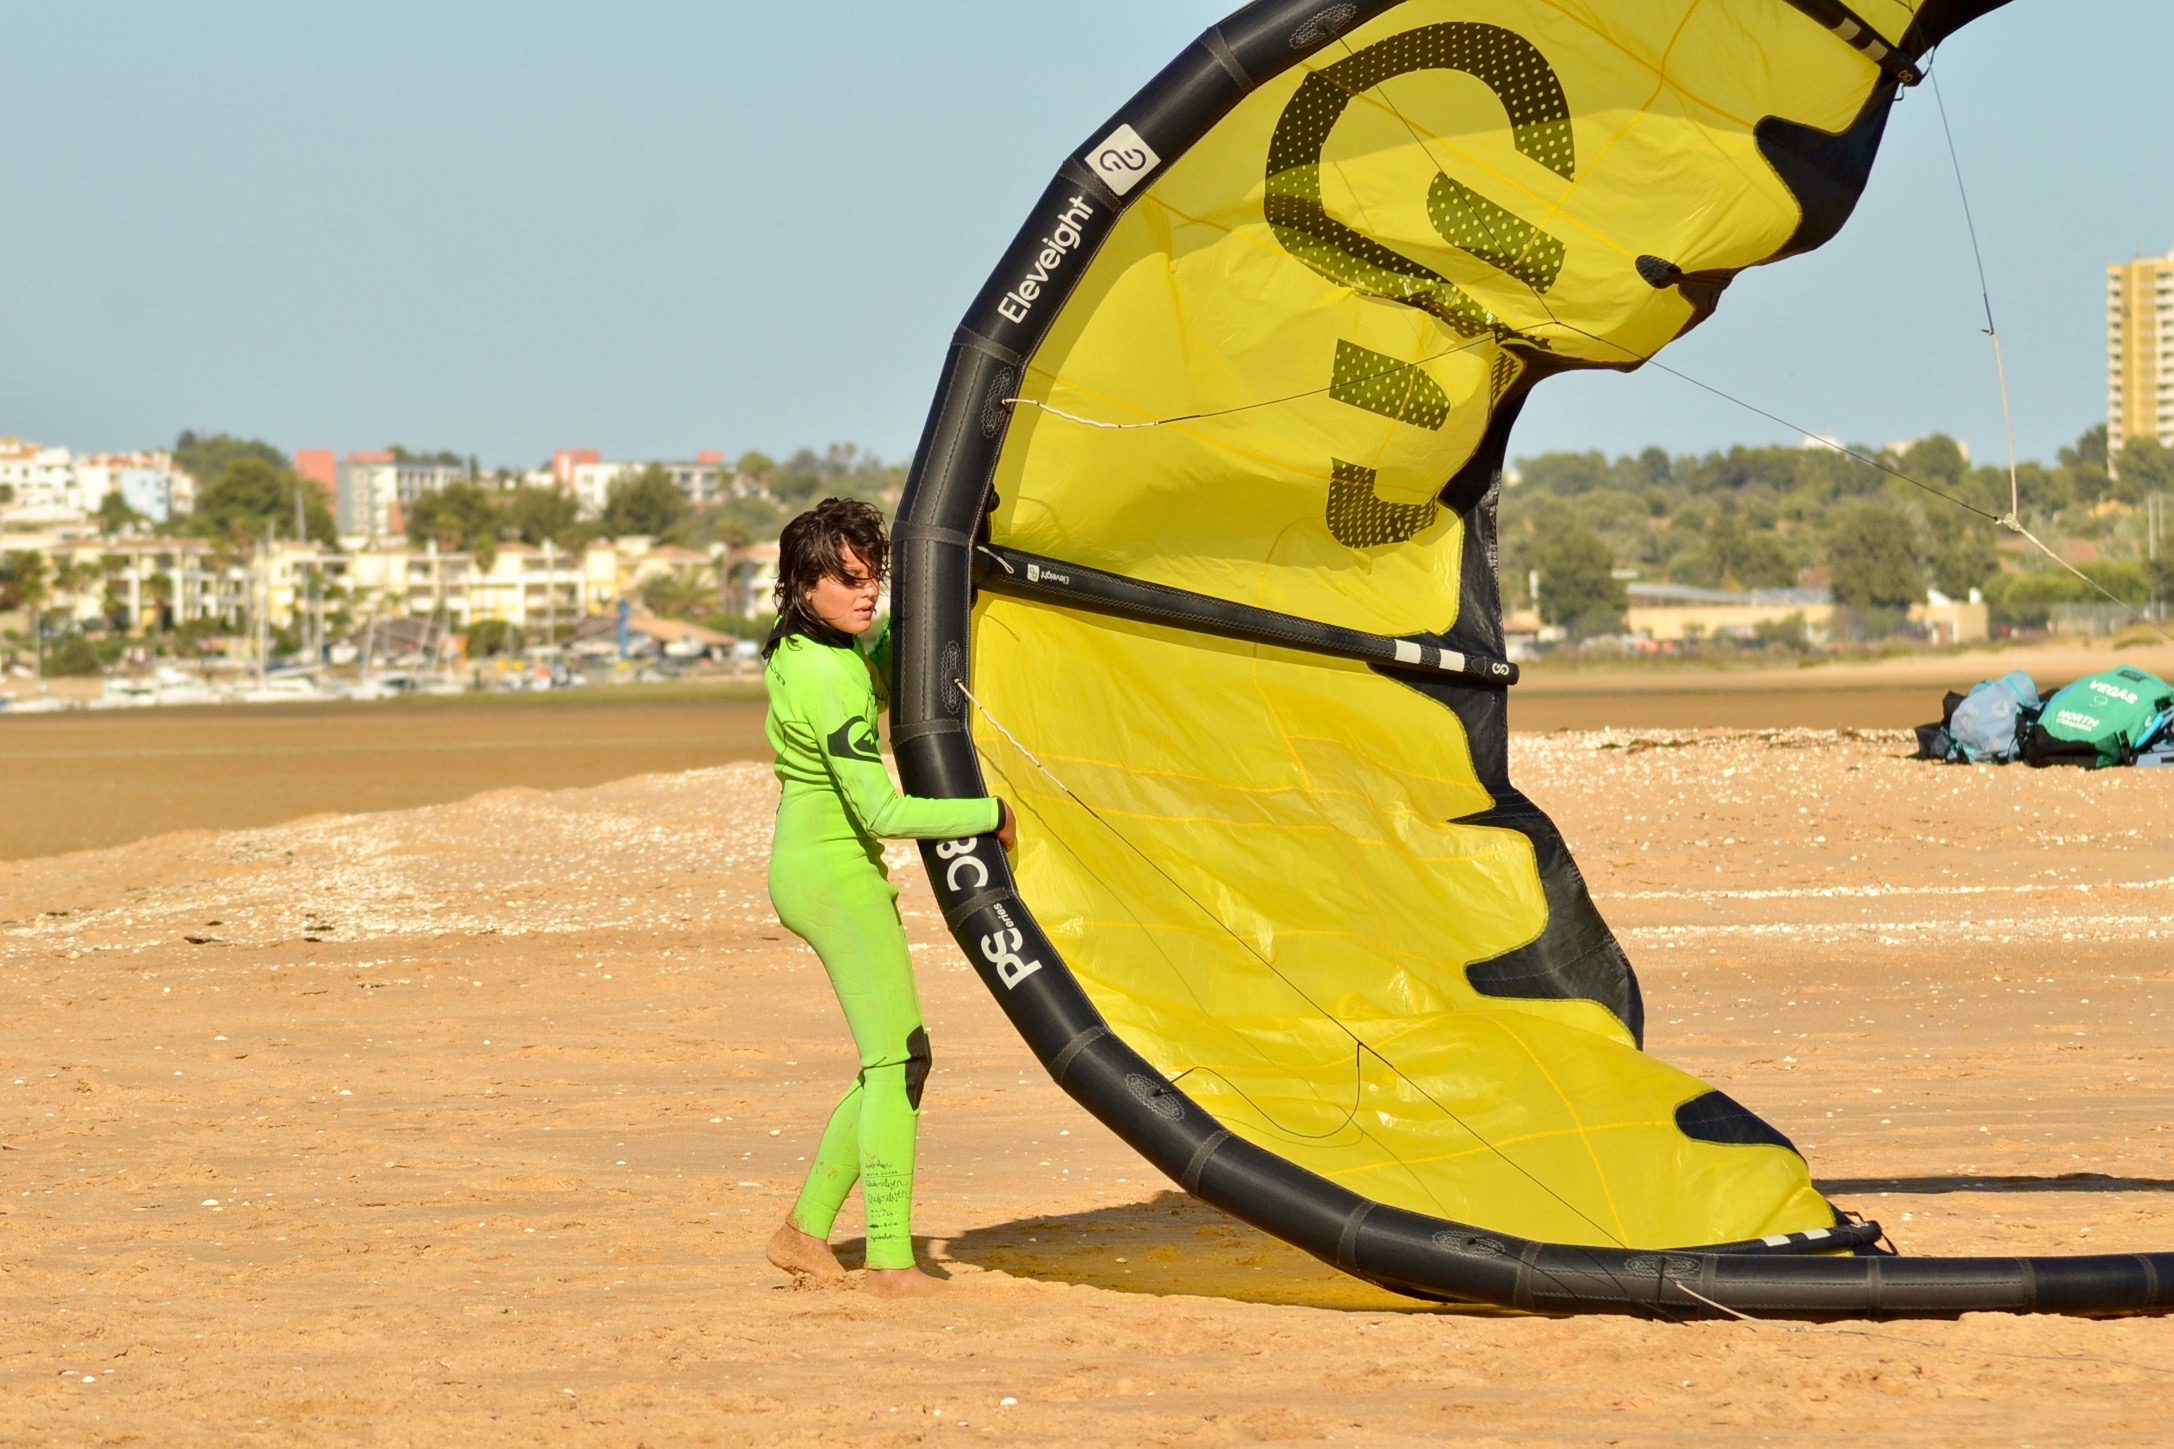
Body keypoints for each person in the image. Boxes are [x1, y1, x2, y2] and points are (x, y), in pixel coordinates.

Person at [759, 497, 1014, 1297]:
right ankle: (891, 1262)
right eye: (848, 579)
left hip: (817, 864)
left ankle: (803, 1231)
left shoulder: (810, 647)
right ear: (805, 584)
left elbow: (892, 659)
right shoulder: (829, 675)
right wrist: (989, 814)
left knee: (896, 1058)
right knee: (897, 1058)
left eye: (874, 576)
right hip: (832, 875)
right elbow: (882, 811)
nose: (867, 591)